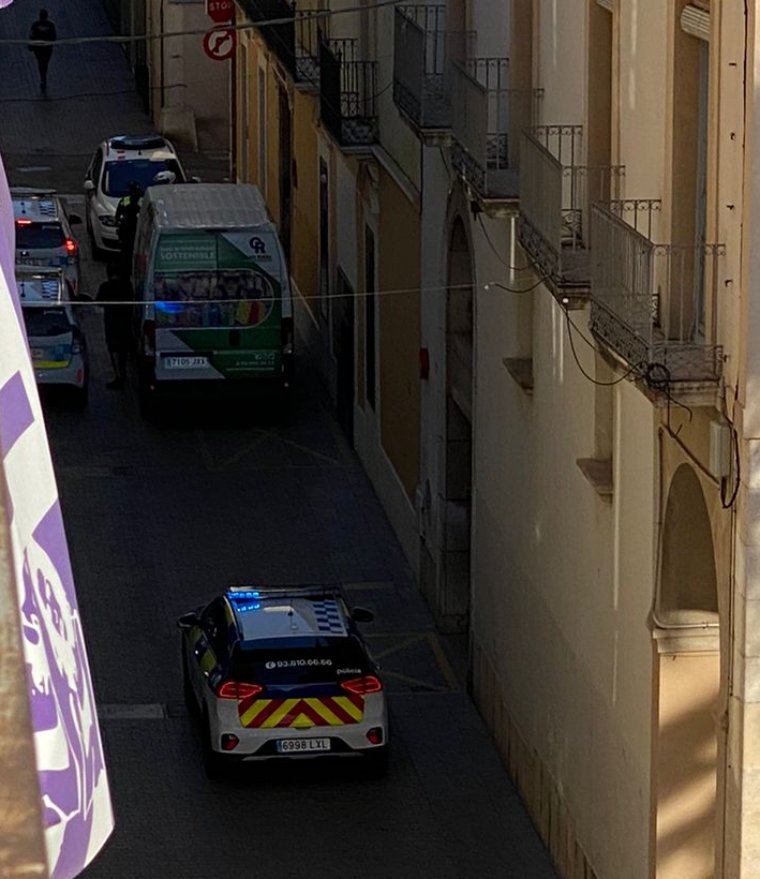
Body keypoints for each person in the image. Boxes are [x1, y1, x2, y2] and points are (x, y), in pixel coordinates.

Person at [96, 263, 134, 390]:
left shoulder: (106, 286)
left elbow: (99, 303)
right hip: (126, 322)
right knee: (123, 350)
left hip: (112, 323)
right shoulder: (127, 286)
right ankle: (123, 374)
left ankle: (119, 376)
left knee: (114, 349)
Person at [114, 180, 143, 275]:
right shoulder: (141, 201)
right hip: (131, 231)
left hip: (129, 231)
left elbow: (118, 216)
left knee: (126, 252)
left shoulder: (126, 200)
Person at [28, 9, 56, 94]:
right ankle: (43, 78)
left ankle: (43, 78)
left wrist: (31, 45)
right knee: (44, 63)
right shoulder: (50, 25)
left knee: (41, 63)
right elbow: (53, 37)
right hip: (47, 48)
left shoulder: (35, 25)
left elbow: (31, 35)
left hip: (38, 48)